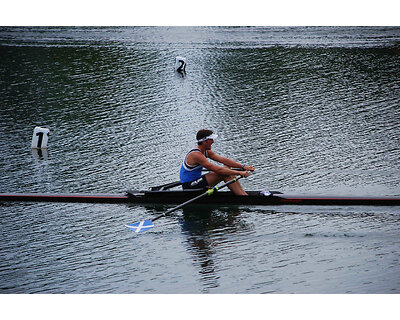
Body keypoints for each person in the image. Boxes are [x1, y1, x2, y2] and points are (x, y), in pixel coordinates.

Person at [179, 129, 255, 195]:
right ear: (205, 141)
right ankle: (243, 197)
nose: (213, 141)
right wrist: (240, 173)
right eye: (211, 140)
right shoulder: (196, 155)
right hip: (189, 186)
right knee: (224, 172)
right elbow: (217, 170)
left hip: (197, 181)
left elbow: (224, 160)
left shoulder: (206, 151)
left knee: (227, 170)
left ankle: (243, 195)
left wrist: (243, 166)